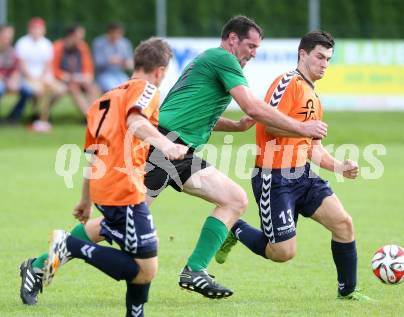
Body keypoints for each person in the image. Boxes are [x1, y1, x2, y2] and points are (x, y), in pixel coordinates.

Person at [20, 15, 327, 303]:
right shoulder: (223, 59)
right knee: (115, 224)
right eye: (251, 46)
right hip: (163, 146)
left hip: (180, 150)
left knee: (234, 199)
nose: (254, 54)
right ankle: (37, 266)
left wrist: (232, 126)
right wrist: (302, 127)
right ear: (232, 39)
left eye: (258, 48)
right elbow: (253, 107)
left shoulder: (213, 61)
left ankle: (194, 271)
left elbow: (186, 110)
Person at [20, 38, 188, 317]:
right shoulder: (147, 89)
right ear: (159, 70)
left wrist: (85, 200)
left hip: (105, 188)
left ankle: (135, 312)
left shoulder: (103, 100)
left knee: (142, 268)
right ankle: (69, 245)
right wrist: (166, 145)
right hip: (125, 189)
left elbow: (95, 155)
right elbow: (136, 121)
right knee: (145, 269)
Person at [214, 30, 371, 301]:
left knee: (344, 223)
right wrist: (303, 129)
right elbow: (268, 125)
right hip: (273, 177)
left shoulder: (314, 95)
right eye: (319, 57)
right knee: (283, 253)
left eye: (329, 59)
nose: (324, 64)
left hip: (303, 175)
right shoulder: (288, 83)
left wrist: (338, 166)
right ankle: (234, 229)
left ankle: (347, 292)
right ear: (303, 54)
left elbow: (311, 146)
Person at [51, 25, 99, 119]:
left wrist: (86, 77)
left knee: (93, 88)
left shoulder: (82, 47)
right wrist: (62, 75)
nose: (82, 38)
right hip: (63, 80)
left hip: (79, 78)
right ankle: (88, 117)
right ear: (71, 36)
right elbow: (52, 68)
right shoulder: (58, 47)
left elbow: (88, 67)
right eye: (79, 36)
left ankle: (96, 114)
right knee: (73, 88)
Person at [0, 24, 32, 123]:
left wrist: (14, 79)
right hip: (2, 80)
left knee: (28, 90)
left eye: (10, 36)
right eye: (6, 36)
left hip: (10, 80)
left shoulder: (12, 51)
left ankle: (13, 117)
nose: (8, 39)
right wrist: (6, 81)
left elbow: (17, 68)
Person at [92, 22, 133, 92]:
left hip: (119, 73)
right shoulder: (99, 43)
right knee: (114, 89)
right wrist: (109, 61)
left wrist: (126, 63)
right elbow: (96, 62)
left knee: (129, 88)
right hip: (103, 74)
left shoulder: (124, 43)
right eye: (116, 33)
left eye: (120, 33)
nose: (118, 36)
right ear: (109, 33)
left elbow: (130, 62)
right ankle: (107, 103)